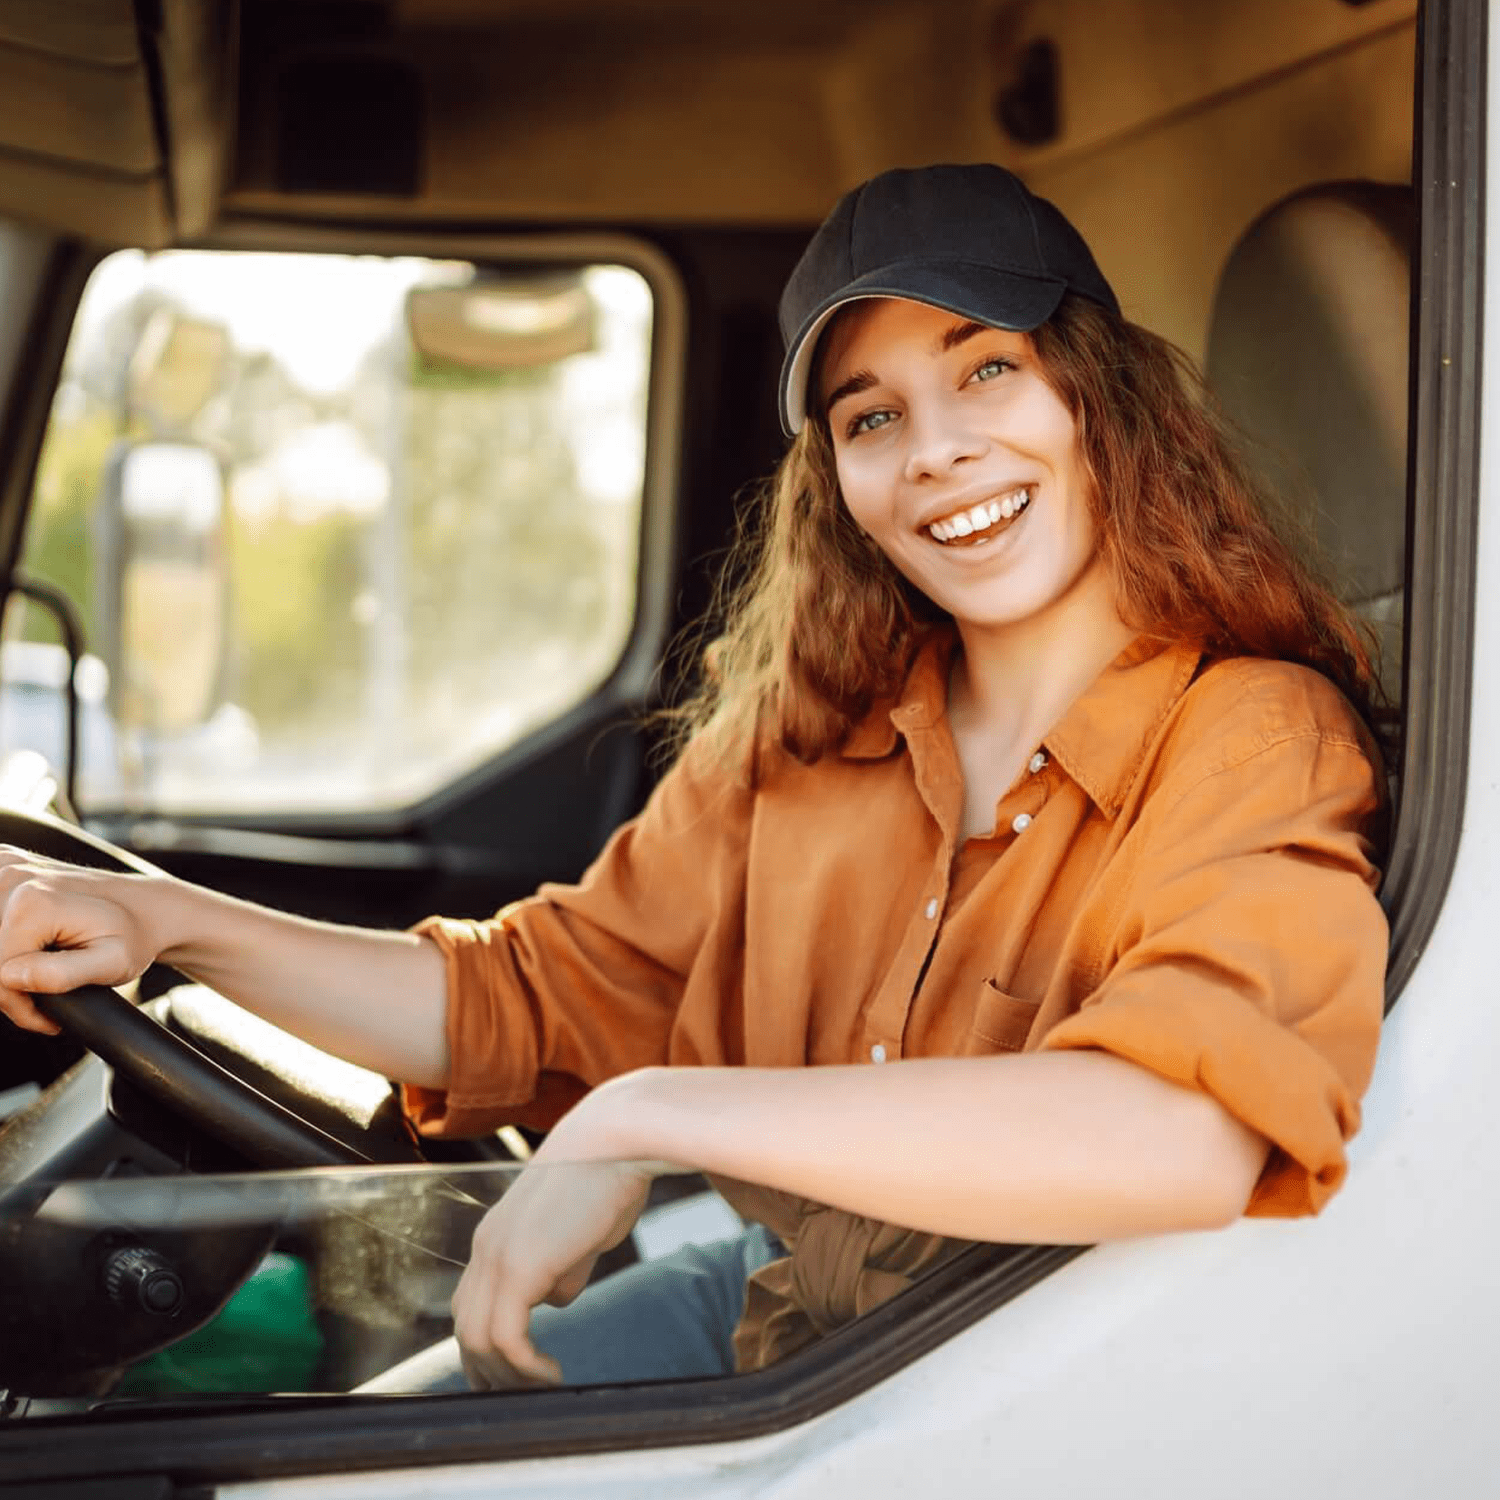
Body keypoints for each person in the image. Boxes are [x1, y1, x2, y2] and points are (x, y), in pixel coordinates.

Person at [0, 164, 1388, 1393]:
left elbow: (1185, 1132)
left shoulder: (1253, 735)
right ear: (832, 477)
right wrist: (167, 925)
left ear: (1099, 394)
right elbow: (518, 1000)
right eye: (869, 417)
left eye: (988, 371)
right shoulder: (806, 751)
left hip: (1018, 1387)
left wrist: (644, 1111)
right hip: (788, 1330)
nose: (940, 451)